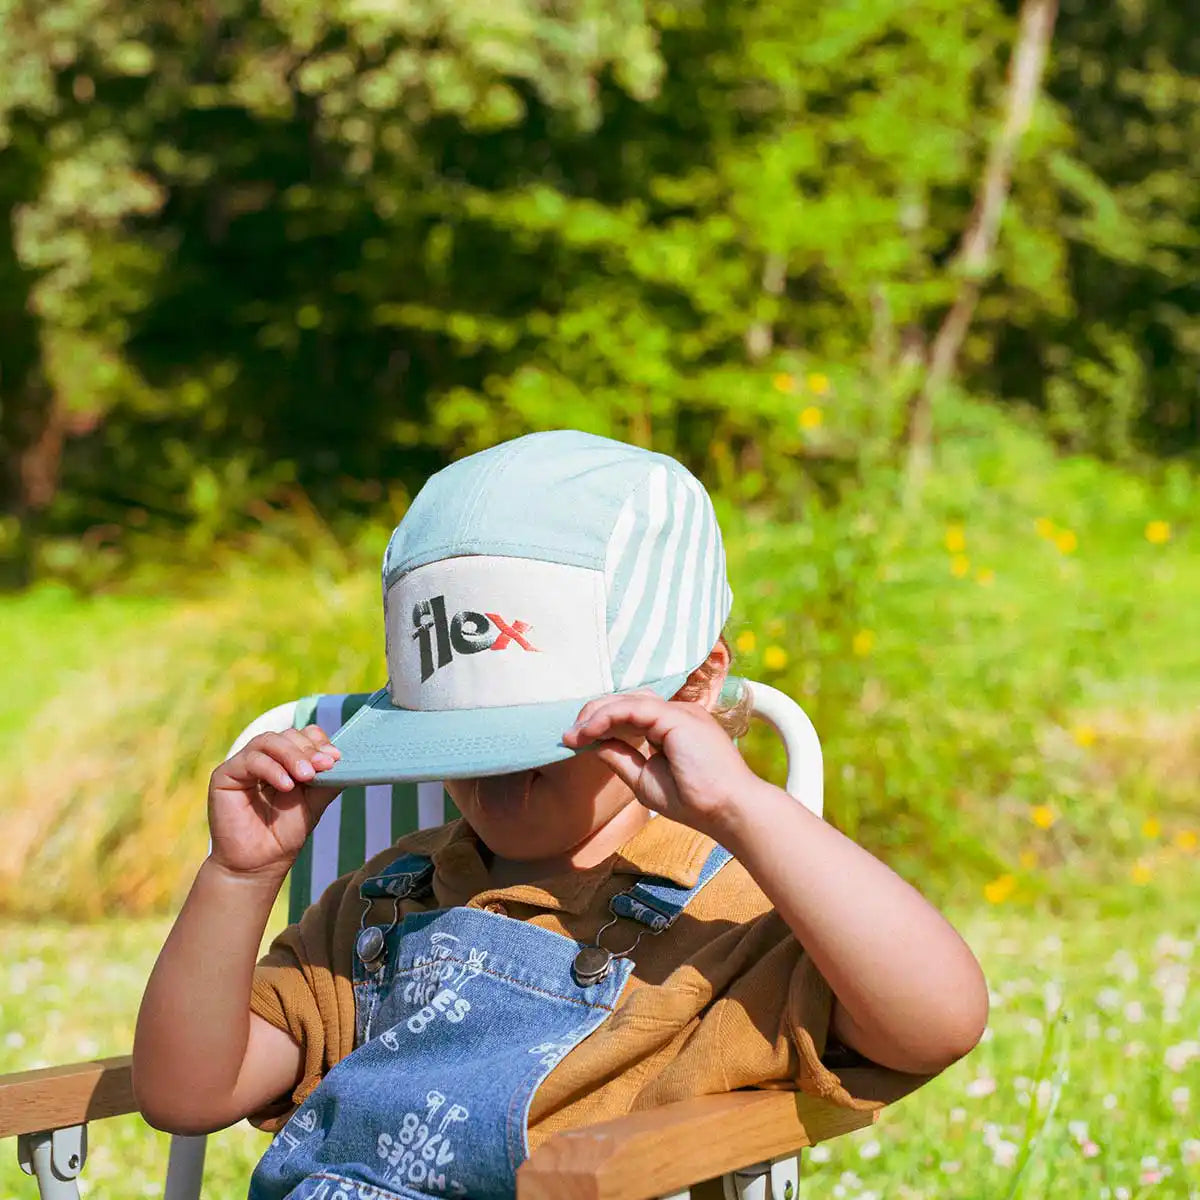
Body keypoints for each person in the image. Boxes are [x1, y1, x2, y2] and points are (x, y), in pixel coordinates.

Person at [132, 429, 988, 1200]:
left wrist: (744, 808)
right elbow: (187, 1095)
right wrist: (240, 874)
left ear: (692, 691)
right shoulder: (384, 901)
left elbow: (937, 1025)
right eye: (461, 739)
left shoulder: (732, 919)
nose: (497, 774)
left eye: (537, 739)